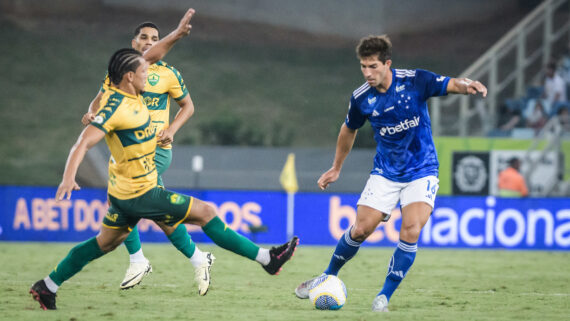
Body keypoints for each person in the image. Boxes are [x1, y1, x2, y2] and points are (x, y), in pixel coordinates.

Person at [29, 9, 298, 311]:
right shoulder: (117, 107)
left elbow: (152, 55)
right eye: (144, 72)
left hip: (124, 192)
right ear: (129, 77)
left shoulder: (127, 92)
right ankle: (266, 259)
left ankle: (48, 286)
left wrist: (177, 35)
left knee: (104, 243)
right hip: (140, 192)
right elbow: (82, 143)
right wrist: (69, 177)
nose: (150, 75)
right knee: (206, 212)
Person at [293, 35, 487, 312]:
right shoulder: (361, 98)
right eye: (363, 67)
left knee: (411, 228)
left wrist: (468, 85)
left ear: (387, 63)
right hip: (386, 172)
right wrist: (336, 168)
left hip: (422, 169)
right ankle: (328, 275)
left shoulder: (415, 80)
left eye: (373, 66)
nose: (368, 73)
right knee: (360, 229)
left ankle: (383, 297)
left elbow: (450, 83)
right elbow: (348, 129)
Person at [82, 21, 200, 291]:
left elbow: (188, 106)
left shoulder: (169, 74)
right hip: (128, 149)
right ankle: (191, 258)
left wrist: (172, 128)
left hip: (156, 149)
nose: (149, 41)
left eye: (154, 38)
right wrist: (91, 114)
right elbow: (98, 100)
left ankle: (146, 259)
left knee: (132, 202)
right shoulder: (122, 74)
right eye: (144, 37)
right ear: (133, 42)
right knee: (126, 202)